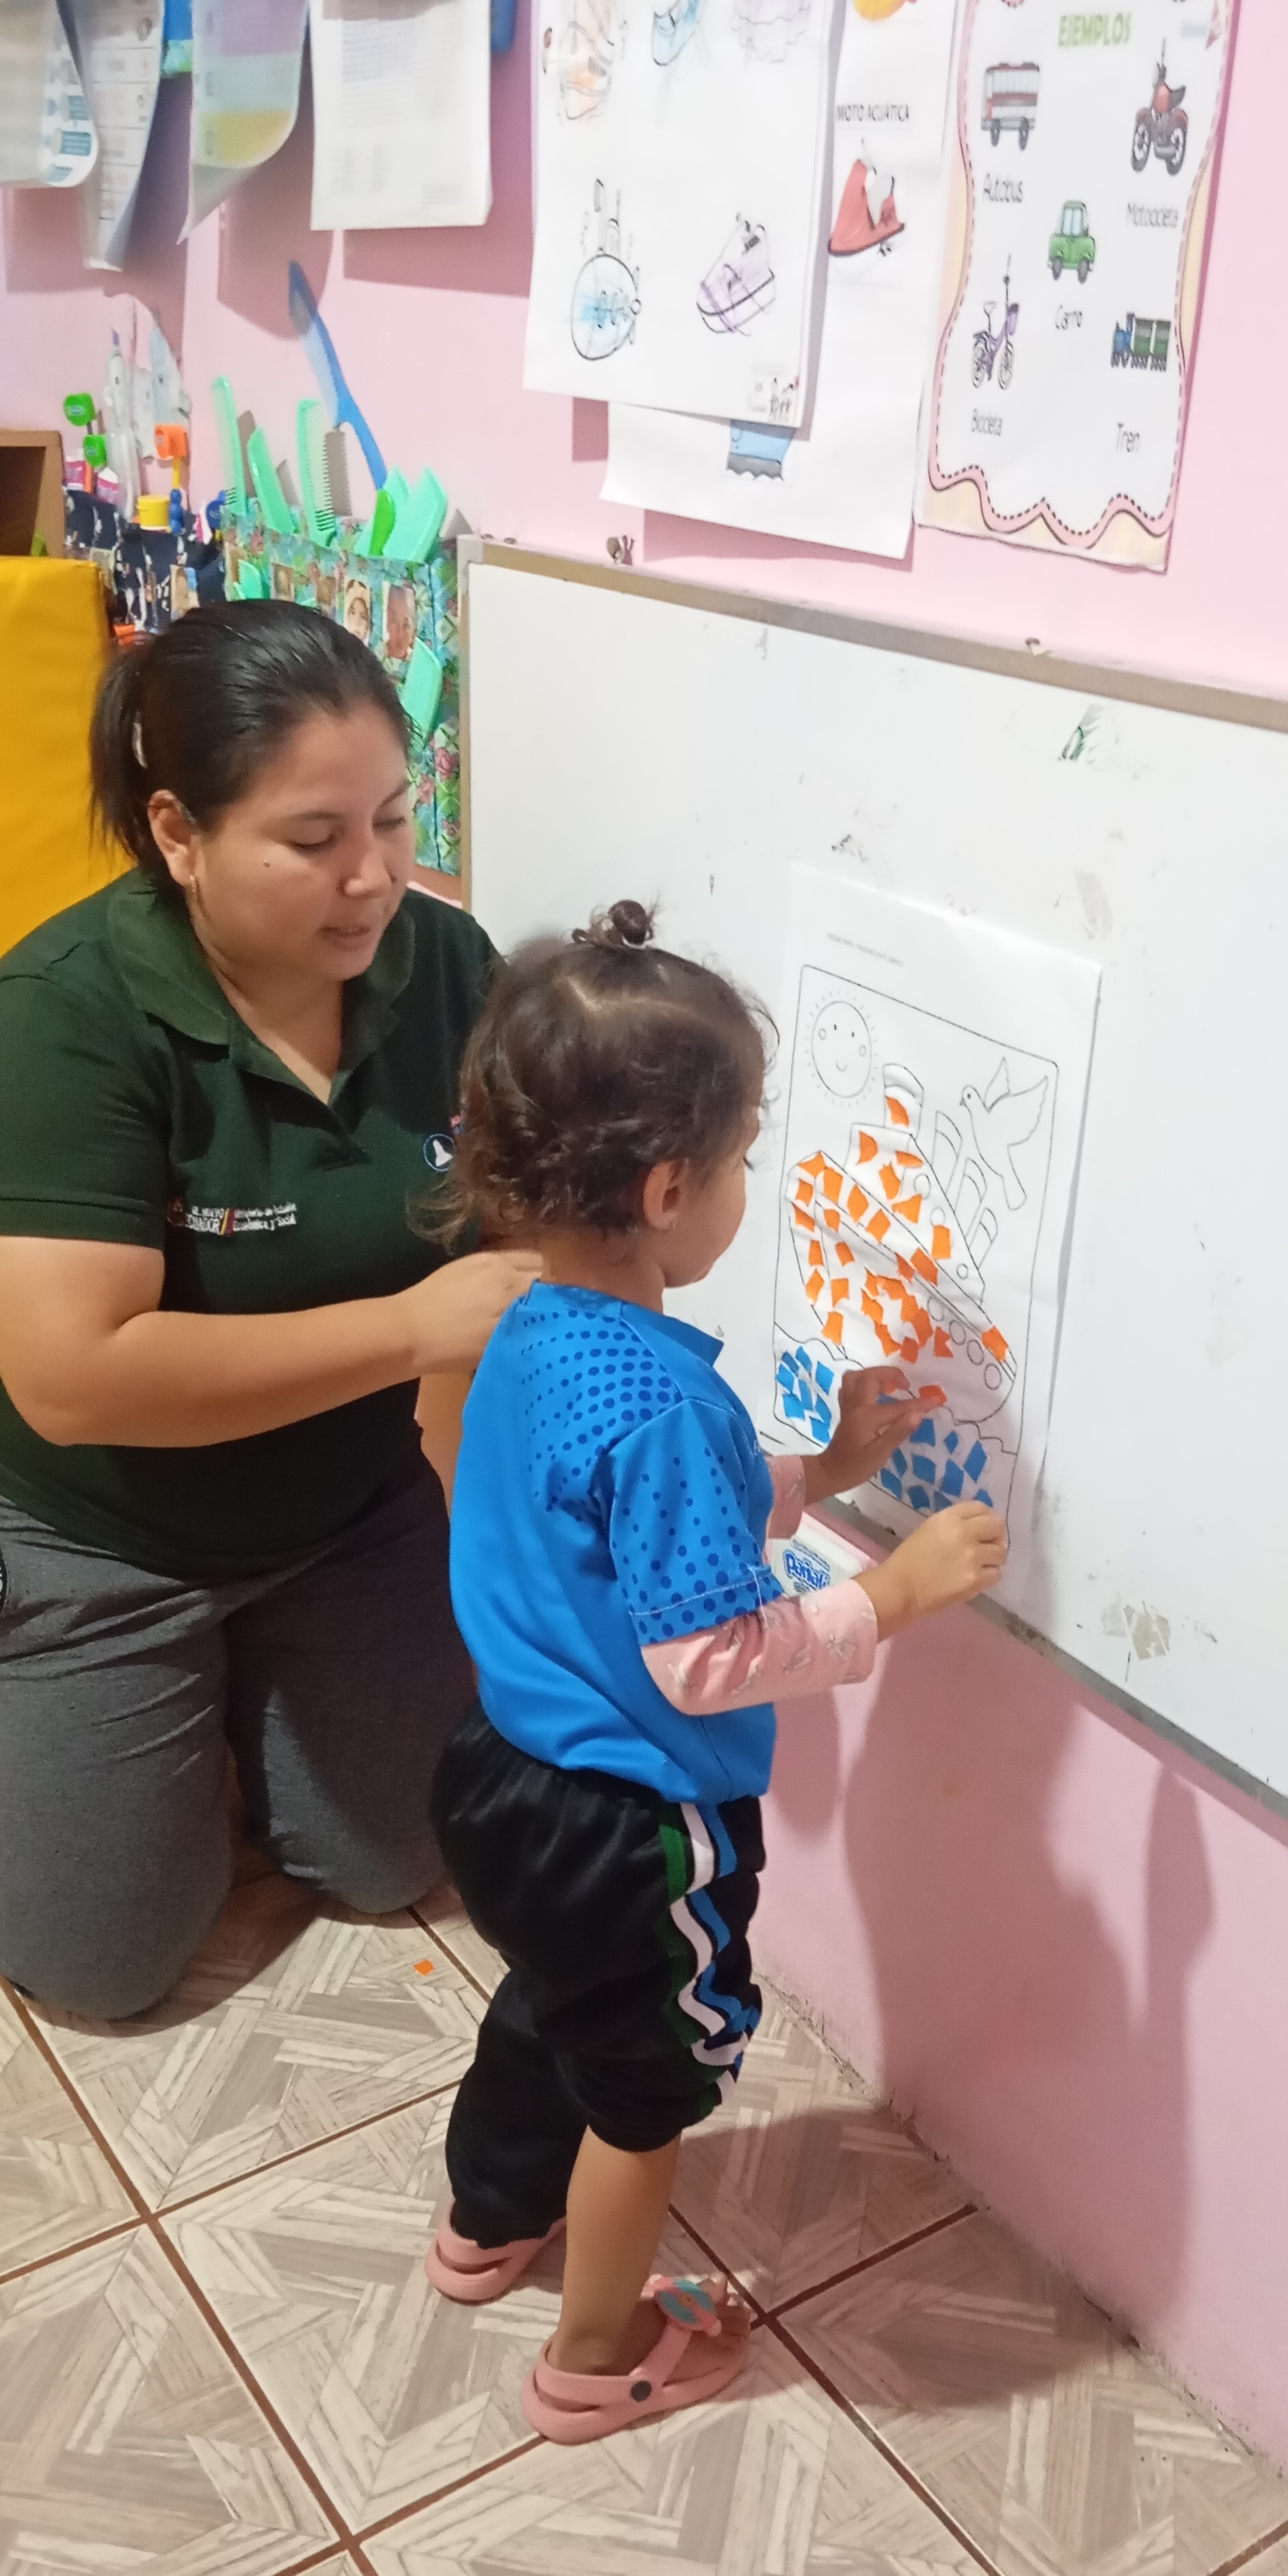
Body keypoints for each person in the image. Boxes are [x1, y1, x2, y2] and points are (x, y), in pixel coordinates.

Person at [0, 604, 539, 2021]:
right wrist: (415, 1332)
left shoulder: (446, 965)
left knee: (394, 1860)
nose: (372, 877)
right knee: (102, 1969)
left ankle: (251, 1680)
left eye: (394, 818)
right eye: (312, 840)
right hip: (88, 1534)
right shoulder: (55, 1020)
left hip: (342, 1506)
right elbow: (75, 1379)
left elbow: (529, 1212)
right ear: (178, 833)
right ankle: (101, 1676)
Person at [421, 900, 1007, 2442]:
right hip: (632, 1825)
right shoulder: (665, 1403)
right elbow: (707, 1655)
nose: (751, 1187)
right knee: (643, 2099)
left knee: (546, 2001)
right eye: (745, 1161)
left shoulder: (535, 1330)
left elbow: (624, 1532)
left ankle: (485, 2223)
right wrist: (888, 1596)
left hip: (503, 1783)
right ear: (670, 1189)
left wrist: (821, 1470)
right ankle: (594, 2356)